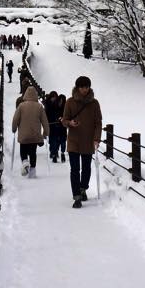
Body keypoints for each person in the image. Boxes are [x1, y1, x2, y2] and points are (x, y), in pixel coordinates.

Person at [61, 75, 102, 208]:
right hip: (74, 140)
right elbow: (64, 120)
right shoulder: (70, 102)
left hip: (88, 140)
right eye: (82, 87)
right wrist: (69, 123)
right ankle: (77, 196)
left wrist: (96, 139)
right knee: (74, 169)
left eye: (87, 86)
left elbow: (98, 123)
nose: (85, 89)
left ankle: (83, 188)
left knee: (86, 169)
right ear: (77, 87)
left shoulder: (94, 103)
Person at [12, 86, 49, 177]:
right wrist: (45, 133)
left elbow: (15, 119)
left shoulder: (21, 106)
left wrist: (14, 129)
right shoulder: (39, 107)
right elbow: (45, 121)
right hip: (35, 134)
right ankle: (32, 172)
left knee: (23, 151)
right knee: (33, 152)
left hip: (23, 135)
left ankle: (25, 162)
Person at [43, 91, 64, 163]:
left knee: (56, 140)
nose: (54, 99)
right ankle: (52, 151)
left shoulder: (57, 105)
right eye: (52, 97)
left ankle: (54, 153)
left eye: (55, 97)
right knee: (52, 140)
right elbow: (45, 114)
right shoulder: (47, 104)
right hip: (50, 124)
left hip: (57, 124)